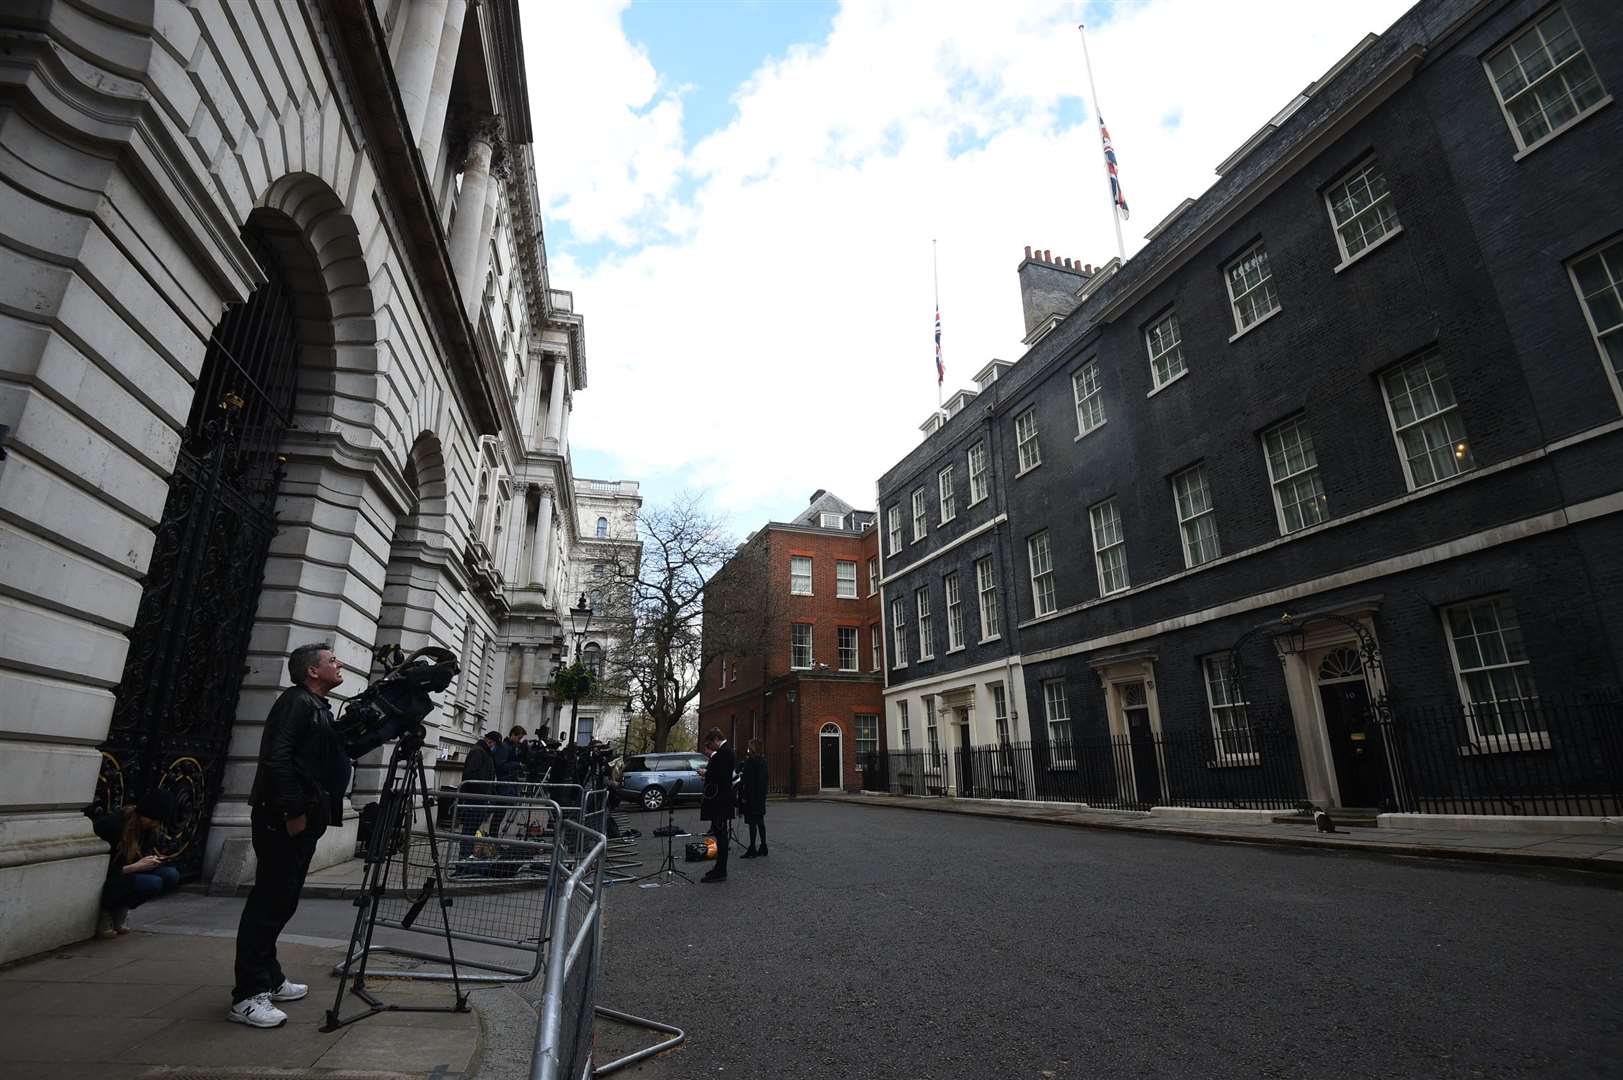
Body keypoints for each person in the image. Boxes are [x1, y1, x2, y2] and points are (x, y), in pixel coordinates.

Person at [230, 642, 350, 1030]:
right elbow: (277, 758)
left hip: (304, 818)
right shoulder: (296, 703)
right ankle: (248, 995)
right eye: (331, 660)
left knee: (283, 900)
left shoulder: (317, 707)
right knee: (268, 902)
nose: (339, 663)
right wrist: (292, 810)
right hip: (281, 819)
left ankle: (269, 975)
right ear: (312, 672)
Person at [92, 789, 181, 937]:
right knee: (152, 882)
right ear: (143, 813)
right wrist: (134, 867)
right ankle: (107, 910)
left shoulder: (148, 830)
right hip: (113, 876)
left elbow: (141, 858)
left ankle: (122, 906)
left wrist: (152, 861)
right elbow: (101, 868)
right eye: (152, 820)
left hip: (129, 872)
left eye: (157, 821)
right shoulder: (114, 825)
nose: (154, 824)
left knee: (171, 874)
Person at [697, 728, 735, 883]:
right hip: (721, 799)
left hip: (720, 800)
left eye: (710, 743)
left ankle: (721, 870)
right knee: (720, 834)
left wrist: (705, 773)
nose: (710, 747)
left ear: (716, 739)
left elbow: (721, 776)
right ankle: (719, 868)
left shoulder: (724, 753)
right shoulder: (725, 752)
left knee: (721, 835)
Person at [457, 731, 501, 861]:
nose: (496, 748)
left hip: (480, 797)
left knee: (472, 828)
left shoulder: (484, 752)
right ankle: (464, 856)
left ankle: (467, 855)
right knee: (469, 828)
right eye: (496, 745)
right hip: (475, 798)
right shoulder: (478, 752)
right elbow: (471, 774)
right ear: (490, 742)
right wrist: (481, 792)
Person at [739, 740, 769, 859]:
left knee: (752, 823)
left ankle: (752, 848)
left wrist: (744, 797)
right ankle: (763, 846)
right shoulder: (763, 761)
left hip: (751, 796)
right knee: (760, 822)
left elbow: (747, 781)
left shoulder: (750, 762)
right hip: (760, 796)